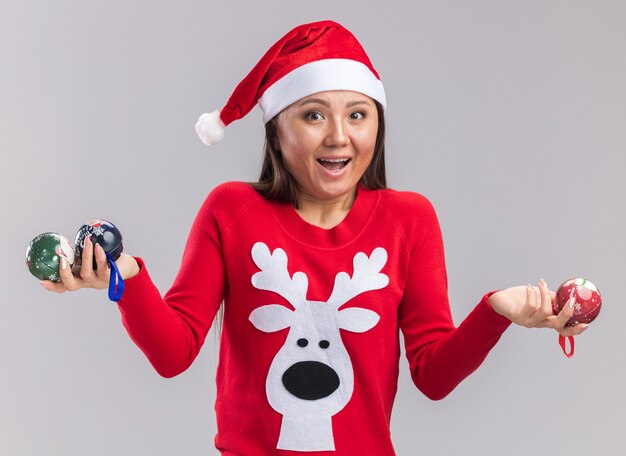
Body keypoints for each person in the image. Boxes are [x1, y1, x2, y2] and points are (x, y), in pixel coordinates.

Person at [41, 20, 588, 455]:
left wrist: (497, 310)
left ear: (377, 123)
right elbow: (174, 352)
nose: (338, 136)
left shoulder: (409, 220)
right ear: (276, 128)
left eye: (357, 114)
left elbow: (434, 375)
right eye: (312, 114)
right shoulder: (230, 210)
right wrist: (126, 280)